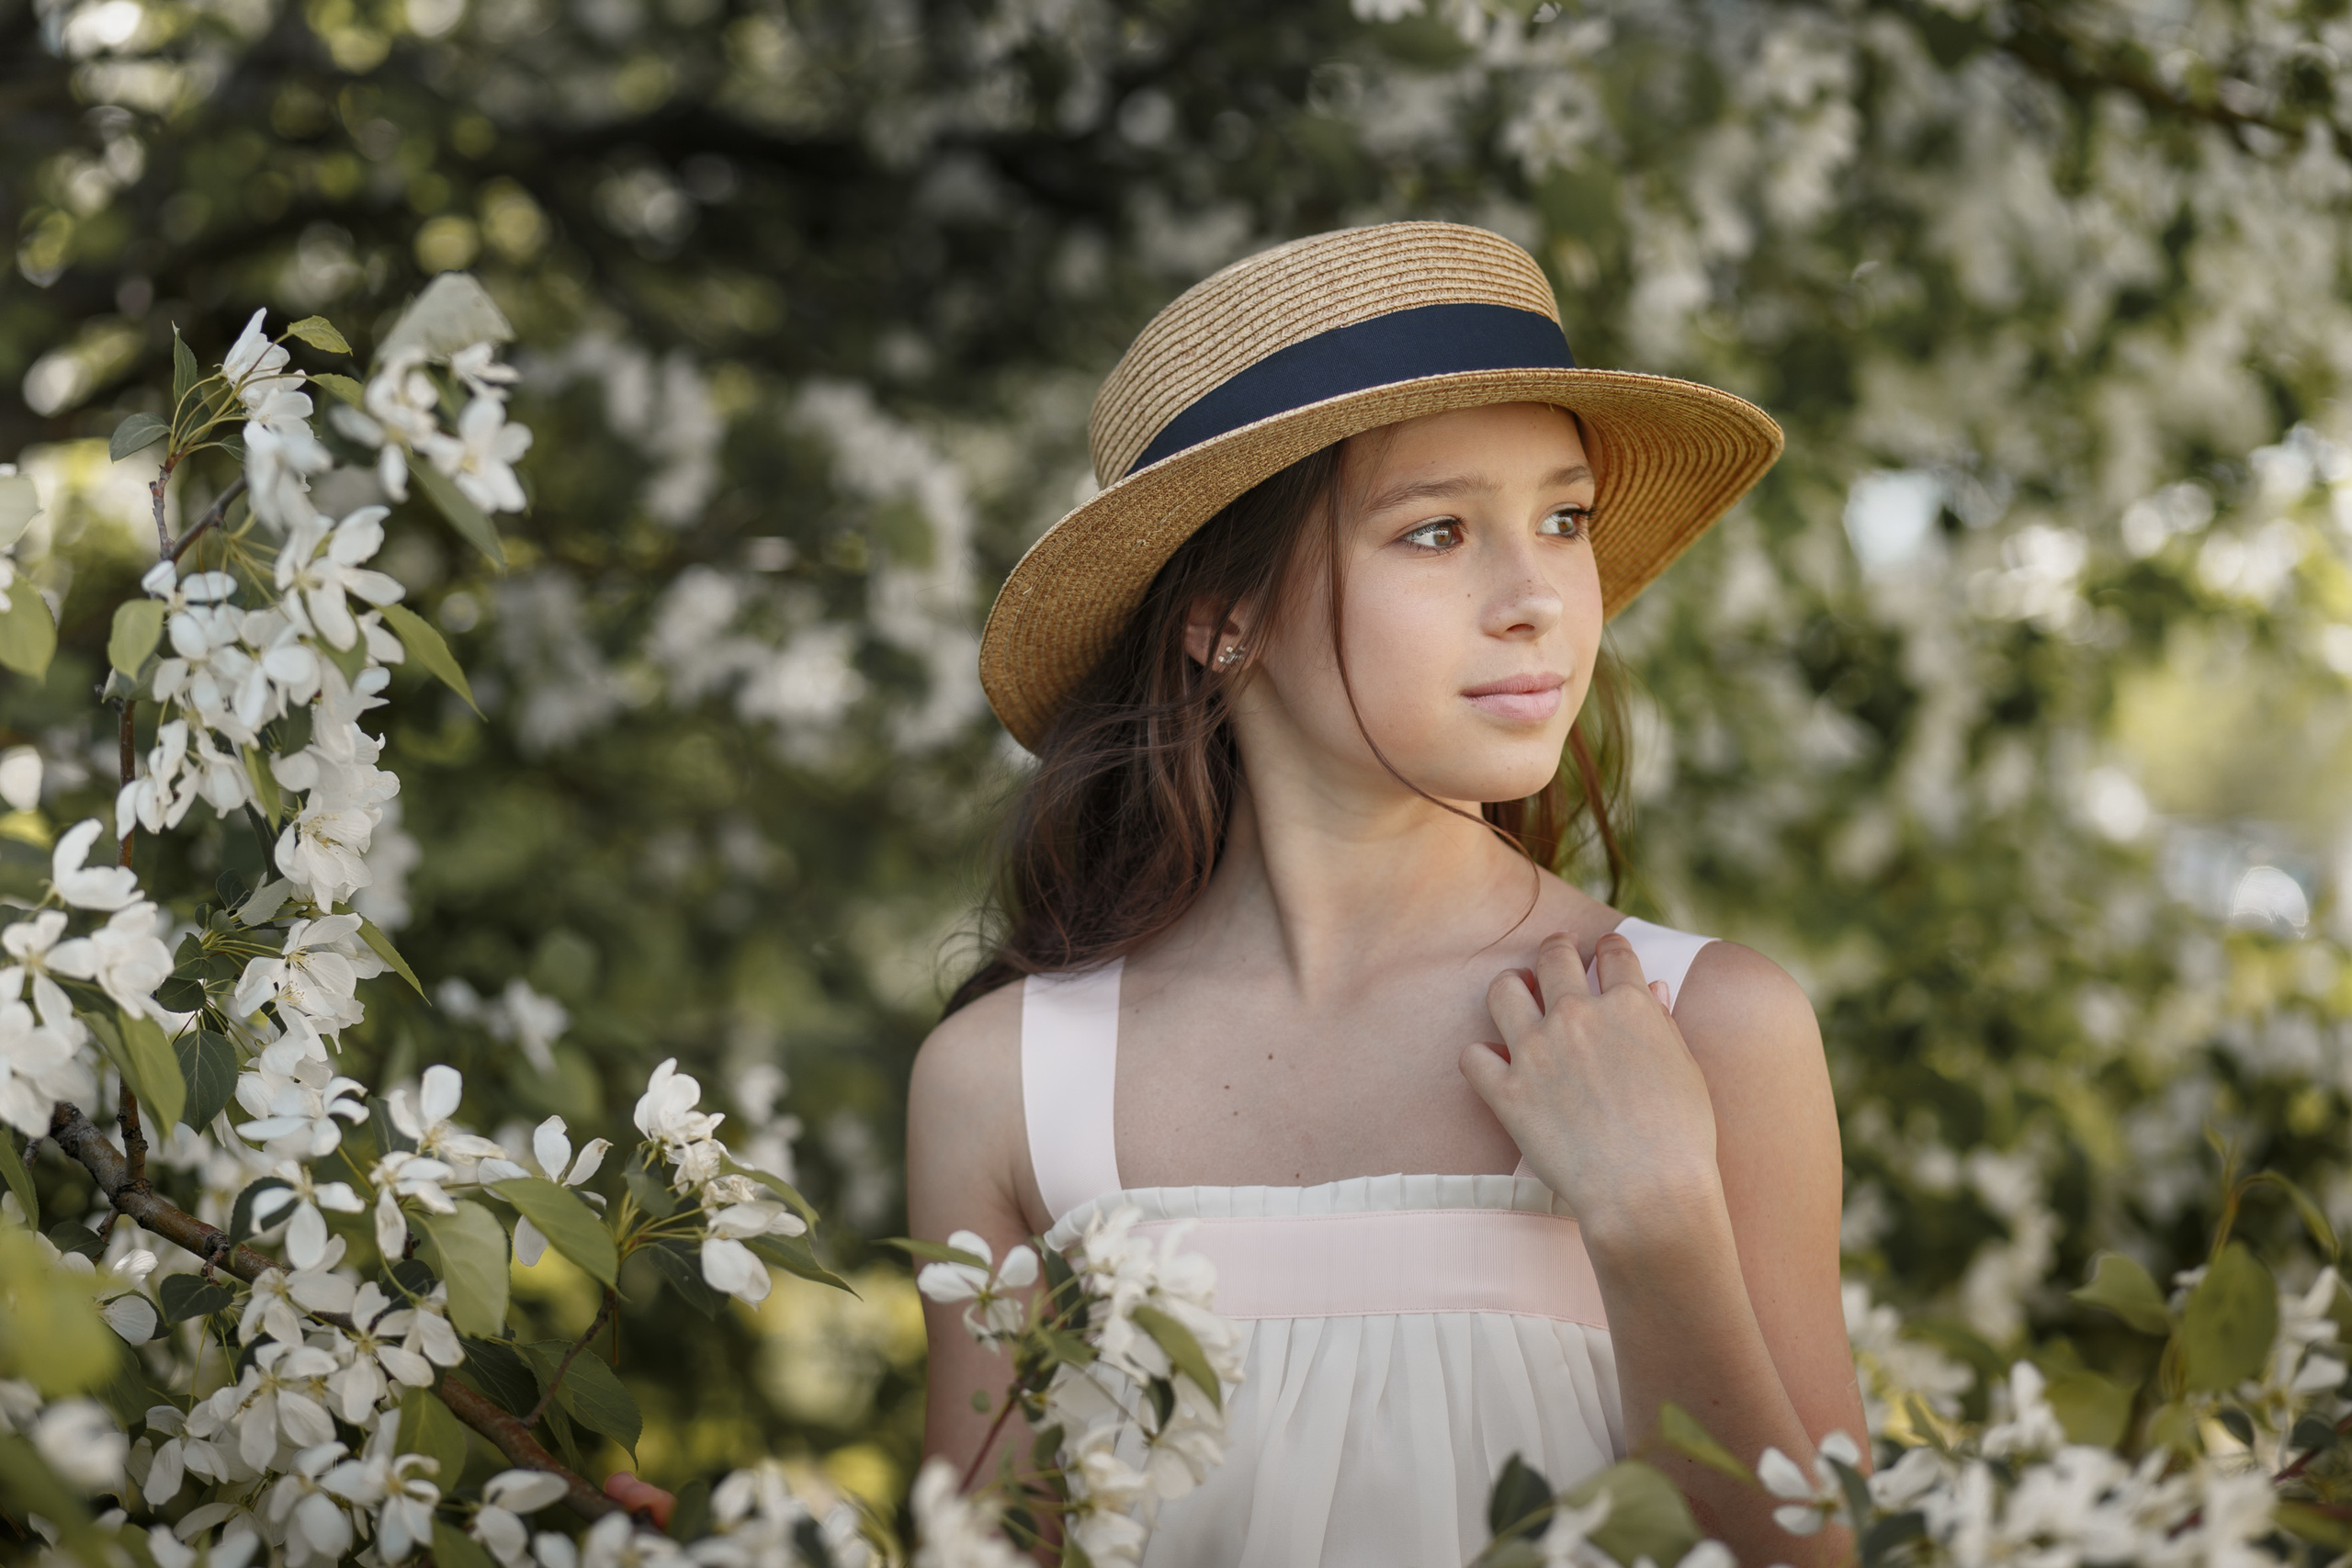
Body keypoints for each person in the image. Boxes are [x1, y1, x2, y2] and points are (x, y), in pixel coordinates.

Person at [908, 221, 1861, 1568]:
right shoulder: (1007, 1086)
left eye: (1564, 517)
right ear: (1222, 616)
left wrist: (1657, 1224)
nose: (1536, 596)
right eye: (1436, 531)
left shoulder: (1707, 1028)